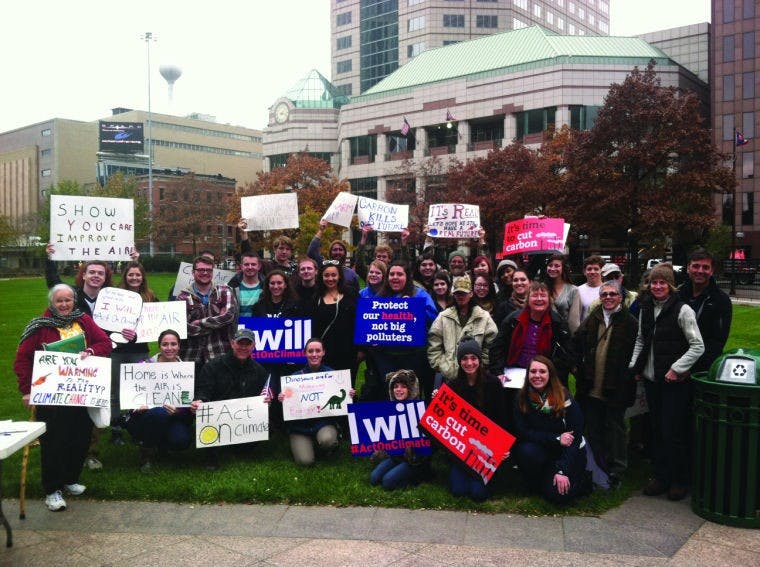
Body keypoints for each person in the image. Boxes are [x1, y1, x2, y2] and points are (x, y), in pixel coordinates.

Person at [14, 284, 112, 511]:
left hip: (80, 393)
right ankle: (52, 489)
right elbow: (22, 360)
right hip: (52, 396)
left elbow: (105, 343)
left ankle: (70, 479)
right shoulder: (39, 326)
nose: (65, 304)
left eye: (68, 300)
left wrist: (91, 352)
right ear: (52, 303)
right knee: (54, 442)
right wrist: (27, 390)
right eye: (60, 301)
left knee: (79, 437)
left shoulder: (83, 321)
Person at [629, 262, 704, 501]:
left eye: (662, 282)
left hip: (674, 381)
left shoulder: (683, 310)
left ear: (670, 285)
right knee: (657, 430)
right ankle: (660, 476)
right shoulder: (646, 308)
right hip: (652, 379)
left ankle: (679, 480)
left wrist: (677, 369)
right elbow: (641, 339)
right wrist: (636, 366)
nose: (657, 286)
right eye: (654, 282)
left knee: (673, 431)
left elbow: (697, 345)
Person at [573, 280, 638, 480]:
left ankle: (618, 467)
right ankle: (597, 464)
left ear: (621, 297)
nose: (608, 298)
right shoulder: (594, 317)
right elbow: (576, 341)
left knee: (615, 427)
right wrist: (578, 367)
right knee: (594, 427)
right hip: (592, 384)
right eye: (604, 294)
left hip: (617, 385)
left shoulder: (630, 322)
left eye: (612, 294)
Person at [512, 356, 589, 505]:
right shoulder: (521, 399)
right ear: (528, 375)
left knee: (559, 497)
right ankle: (539, 481)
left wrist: (563, 470)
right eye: (533, 371)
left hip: (567, 452)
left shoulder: (564, 397)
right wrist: (556, 438)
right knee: (524, 450)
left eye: (542, 371)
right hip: (544, 448)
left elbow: (575, 438)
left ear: (550, 374)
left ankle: (579, 479)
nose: (537, 376)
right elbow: (523, 432)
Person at [191, 329, 271, 469]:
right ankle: (211, 454)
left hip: (243, 419)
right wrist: (200, 401)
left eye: (248, 344)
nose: (243, 348)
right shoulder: (212, 366)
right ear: (233, 344)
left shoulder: (259, 371)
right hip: (218, 417)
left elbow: (263, 397)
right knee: (209, 415)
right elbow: (203, 391)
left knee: (266, 427)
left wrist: (266, 401)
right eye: (240, 343)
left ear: (253, 347)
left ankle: (240, 447)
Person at [447, 337, 508, 501]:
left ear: (480, 360)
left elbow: (502, 417)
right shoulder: (452, 386)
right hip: (462, 449)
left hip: (485, 449)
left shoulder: (493, 384)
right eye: (464, 359)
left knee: (478, 494)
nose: (469, 363)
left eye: (473, 358)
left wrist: (501, 447)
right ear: (460, 362)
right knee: (458, 491)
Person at [124, 329, 194, 473]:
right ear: (159, 346)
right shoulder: (144, 366)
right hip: (145, 418)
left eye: (173, 344)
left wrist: (177, 412)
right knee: (158, 413)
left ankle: (162, 446)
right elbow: (131, 400)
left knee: (181, 440)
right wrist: (137, 406)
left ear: (179, 346)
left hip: (173, 419)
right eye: (165, 344)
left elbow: (187, 410)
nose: (169, 348)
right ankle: (146, 452)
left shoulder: (186, 371)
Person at [369, 261, 437, 397]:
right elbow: (370, 322)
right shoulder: (380, 298)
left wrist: (414, 307)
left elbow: (434, 318)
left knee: (411, 393)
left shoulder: (420, 295)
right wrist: (372, 337)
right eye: (392, 274)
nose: (395, 277)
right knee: (390, 393)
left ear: (407, 277)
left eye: (399, 274)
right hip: (386, 357)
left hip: (413, 356)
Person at [277, 338, 350, 466]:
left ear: (323, 353)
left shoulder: (332, 375)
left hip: (323, 424)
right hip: (300, 428)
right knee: (305, 462)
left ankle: (326, 442)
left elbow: (342, 404)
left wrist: (349, 394)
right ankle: (306, 445)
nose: (314, 354)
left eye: (318, 351)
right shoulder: (294, 378)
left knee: (328, 441)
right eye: (310, 351)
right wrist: (282, 399)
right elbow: (288, 406)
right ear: (305, 353)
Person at [110, 261, 158, 445]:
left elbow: (157, 321)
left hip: (139, 350)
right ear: (125, 276)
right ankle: (115, 429)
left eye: (138, 275)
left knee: (138, 391)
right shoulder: (116, 296)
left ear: (143, 277)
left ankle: (135, 426)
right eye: (131, 275)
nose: (134, 278)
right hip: (117, 350)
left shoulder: (150, 296)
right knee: (115, 391)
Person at [428, 276, 498, 384]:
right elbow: (434, 343)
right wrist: (443, 366)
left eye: (464, 293)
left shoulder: (484, 317)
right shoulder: (443, 317)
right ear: (453, 295)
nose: (460, 296)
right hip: (450, 378)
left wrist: (480, 365)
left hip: (477, 378)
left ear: (471, 294)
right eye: (457, 293)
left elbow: (492, 345)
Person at [370, 369, 431, 490]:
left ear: (411, 389)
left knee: (388, 482)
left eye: (403, 386)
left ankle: (418, 476)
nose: (399, 390)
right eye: (396, 386)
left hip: (413, 461)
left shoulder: (420, 410)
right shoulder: (390, 409)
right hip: (395, 456)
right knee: (374, 479)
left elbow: (426, 445)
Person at [178, 256, 239, 375]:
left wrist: (199, 322)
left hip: (220, 353)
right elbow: (183, 328)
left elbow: (228, 317)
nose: (205, 273)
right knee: (193, 392)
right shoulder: (182, 297)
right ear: (193, 272)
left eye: (209, 270)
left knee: (220, 392)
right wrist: (216, 324)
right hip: (192, 356)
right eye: (201, 270)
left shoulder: (224, 291)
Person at [677, 249, 732, 374]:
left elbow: (717, 341)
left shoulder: (721, 300)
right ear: (688, 268)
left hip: (702, 369)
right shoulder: (677, 295)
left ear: (712, 271)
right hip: (675, 364)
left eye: (705, 267)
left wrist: (690, 367)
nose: (700, 271)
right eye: (696, 266)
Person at [312, 261, 358, 382]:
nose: (330, 278)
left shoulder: (351, 294)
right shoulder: (315, 297)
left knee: (347, 390)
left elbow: (361, 322)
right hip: (324, 354)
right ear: (321, 277)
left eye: (334, 275)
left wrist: (362, 350)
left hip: (348, 352)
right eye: (326, 275)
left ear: (339, 276)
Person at [307, 219, 360, 292]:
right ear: (330, 252)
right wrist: (321, 230)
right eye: (335, 250)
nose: (338, 252)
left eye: (340, 249)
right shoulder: (323, 266)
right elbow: (311, 252)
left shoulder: (352, 274)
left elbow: (356, 297)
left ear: (345, 253)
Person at [543, 254, 581, 334]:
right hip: (543, 333)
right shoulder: (541, 288)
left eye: (557, 266)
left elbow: (574, 320)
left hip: (563, 334)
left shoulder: (573, 290)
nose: (553, 268)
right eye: (550, 265)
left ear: (563, 268)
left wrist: (572, 339)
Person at [227, 251, 263, 318]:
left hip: (261, 326)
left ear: (259, 266)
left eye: (253, 264)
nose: (250, 267)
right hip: (238, 327)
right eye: (246, 264)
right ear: (241, 266)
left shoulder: (267, 287)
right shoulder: (232, 288)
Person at [578, 255, 605, 322]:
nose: (592, 272)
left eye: (596, 269)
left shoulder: (608, 290)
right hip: (584, 330)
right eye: (589, 269)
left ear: (602, 271)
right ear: (584, 272)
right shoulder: (577, 290)